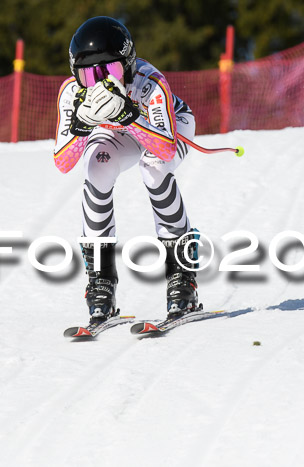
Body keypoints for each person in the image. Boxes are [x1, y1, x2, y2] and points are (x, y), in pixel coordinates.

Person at [53, 16, 200, 324]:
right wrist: (80, 125)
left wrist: (128, 114)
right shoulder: (72, 93)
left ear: (129, 63)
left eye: (111, 70)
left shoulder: (150, 83)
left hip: (166, 127)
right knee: (97, 169)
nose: (100, 82)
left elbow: (166, 148)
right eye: (88, 75)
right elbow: (63, 162)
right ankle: (101, 280)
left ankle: (182, 275)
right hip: (119, 130)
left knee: (154, 168)